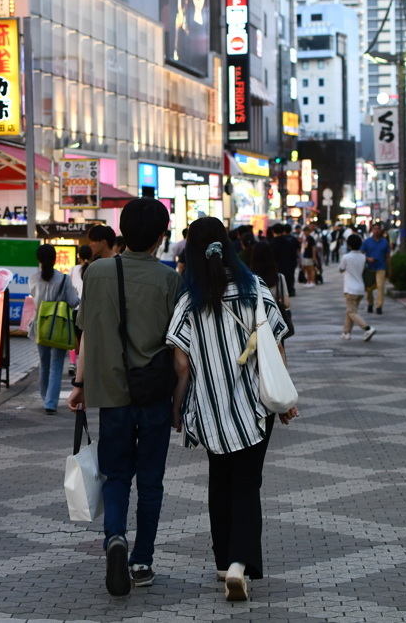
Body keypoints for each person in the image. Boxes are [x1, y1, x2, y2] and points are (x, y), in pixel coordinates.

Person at [165, 216, 298, 602]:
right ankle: (240, 564)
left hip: (209, 410)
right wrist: (286, 397)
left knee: (219, 481)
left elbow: (181, 363)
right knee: (247, 484)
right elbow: (277, 346)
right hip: (255, 407)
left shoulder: (190, 299)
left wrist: (177, 407)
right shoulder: (255, 288)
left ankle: (224, 561)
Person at [68, 198, 182, 596]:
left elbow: (85, 333)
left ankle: (115, 537)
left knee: (116, 475)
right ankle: (143, 560)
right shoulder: (169, 280)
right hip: (153, 395)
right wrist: (181, 404)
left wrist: (79, 385)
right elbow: (180, 347)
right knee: (151, 481)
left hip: (111, 394)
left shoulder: (96, 273)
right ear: (161, 237)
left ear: (121, 232)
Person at [28, 244, 79, 414]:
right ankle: (51, 403)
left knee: (44, 364)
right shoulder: (64, 279)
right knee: (56, 365)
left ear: (38, 259)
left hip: (40, 325)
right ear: (55, 258)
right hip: (59, 326)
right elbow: (73, 302)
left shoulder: (33, 279)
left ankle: (45, 398)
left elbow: (34, 299)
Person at [249, 241, 291, 345]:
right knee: (279, 351)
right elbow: (287, 303)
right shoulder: (279, 278)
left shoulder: (250, 279)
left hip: (256, 322)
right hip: (276, 321)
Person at [338, 233, 376, 341]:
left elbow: (341, 269)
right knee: (350, 311)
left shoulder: (346, 257)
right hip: (360, 289)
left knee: (352, 312)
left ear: (349, 245)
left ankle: (367, 328)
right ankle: (346, 332)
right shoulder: (363, 257)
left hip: (350, 289)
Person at [68, 245, 93, 376]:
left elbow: (70, 288)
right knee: (85, 339)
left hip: (75, 308)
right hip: (89, 309)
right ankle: (84, 365)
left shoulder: (73, 270)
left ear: (79, 256)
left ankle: (72, 363)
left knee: (73, 338)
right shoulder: (94, 269)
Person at [362, 223, 391, 314]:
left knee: (380, 286)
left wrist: (390, 269)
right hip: (369, 268)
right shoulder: (367, 242)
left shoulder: (385, 242)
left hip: (381, 267)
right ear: (372, 230)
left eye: (378, 229)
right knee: (369, 288)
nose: (376, 231)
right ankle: (370, 303)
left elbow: (388, 256)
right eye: (374, 229)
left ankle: (379, 306)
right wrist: (368, 259)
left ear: (381, 230)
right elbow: (361, 253)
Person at [269, 223, 299, 297]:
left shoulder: (271, 243)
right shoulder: (290, 241)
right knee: (289, 279)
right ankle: (290, 291)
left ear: (273, 231)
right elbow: (295, 253)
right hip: (289, 265)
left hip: (277, 267)